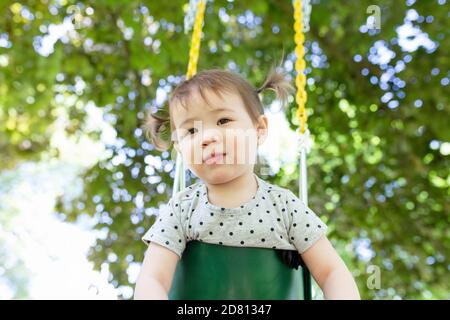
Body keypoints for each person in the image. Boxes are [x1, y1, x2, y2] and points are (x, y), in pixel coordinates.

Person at [134, 68, 360, 300]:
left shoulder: (284, 206)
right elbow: (152, 279)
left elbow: (333, 273)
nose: (207, 137)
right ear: (180, 147)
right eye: (191, 130)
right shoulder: (181, 209)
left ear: (259, 129)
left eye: (223, 120)